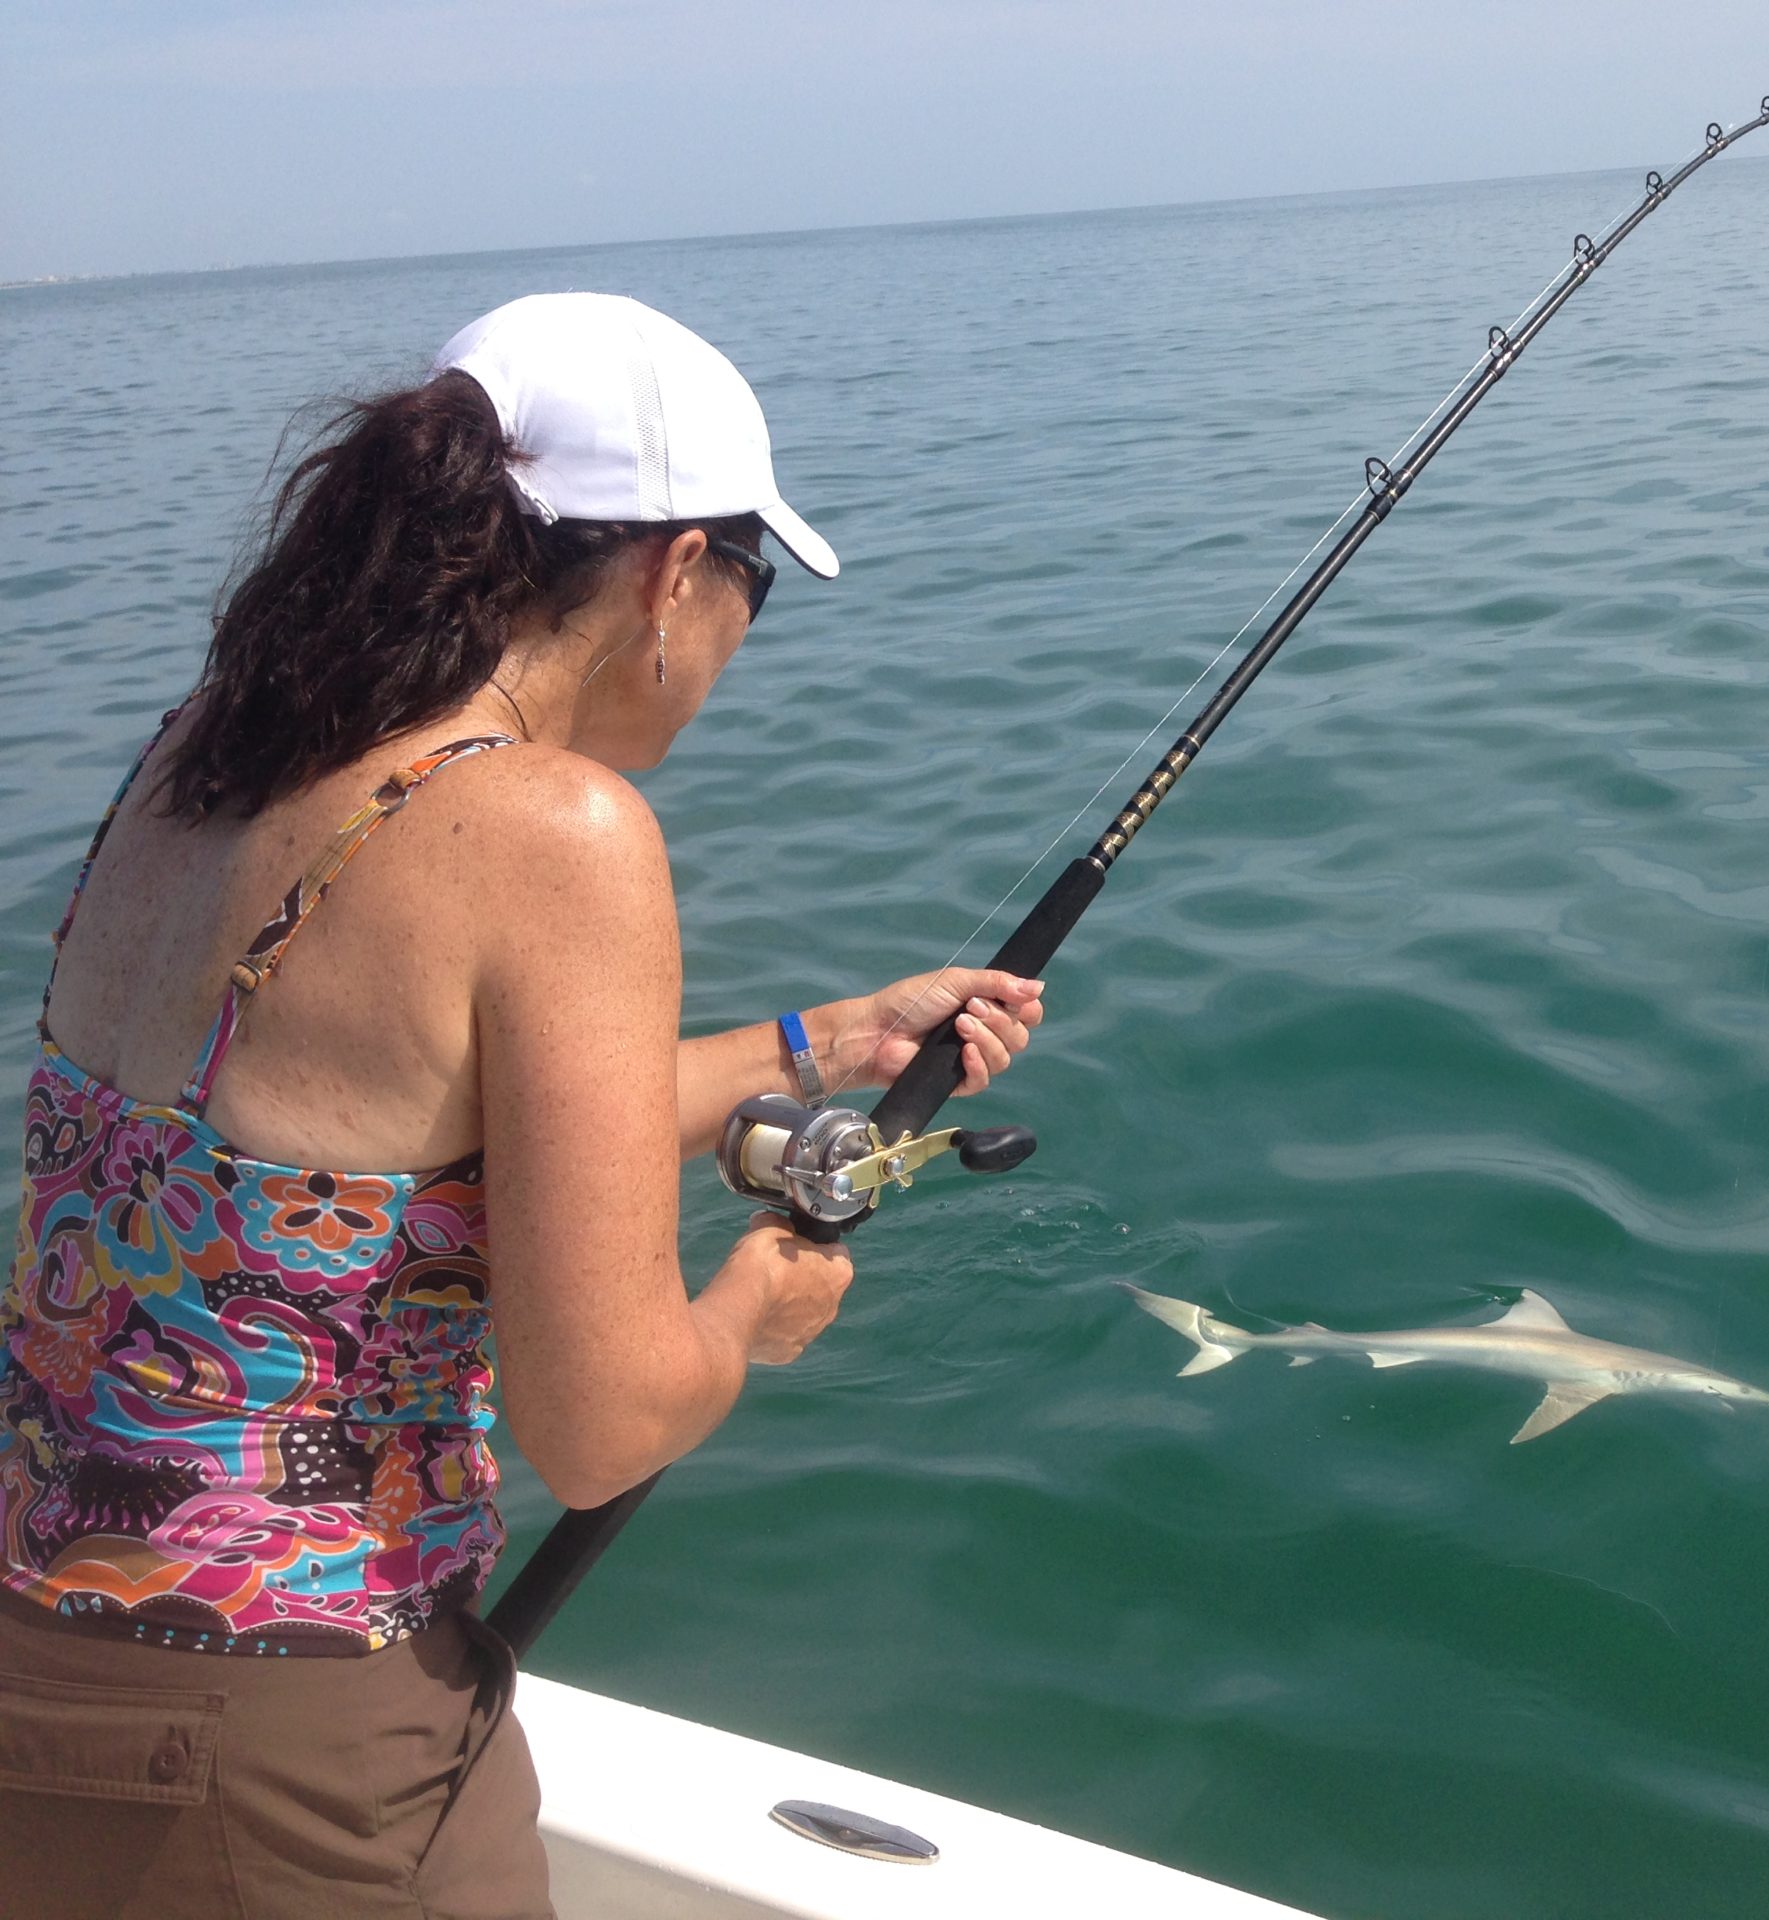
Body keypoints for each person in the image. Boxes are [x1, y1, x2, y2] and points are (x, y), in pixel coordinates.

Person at [0, 292, 1046, 1918]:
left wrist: (833, 1037)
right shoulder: (561, 829)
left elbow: (358, 1152)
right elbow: (600, 1419)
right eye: (755, 585)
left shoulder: (200, 759)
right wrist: (749, 1310)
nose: (738, 639)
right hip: (289, 1740)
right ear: (675, 572)